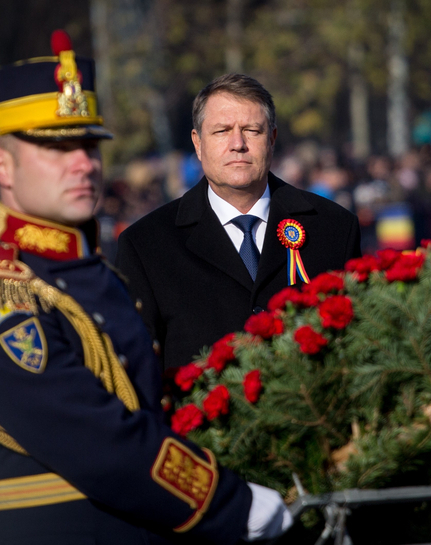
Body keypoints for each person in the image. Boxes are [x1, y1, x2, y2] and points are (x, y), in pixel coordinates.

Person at [0, 31, 290, 545]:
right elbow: (96, 439)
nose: (82, 163)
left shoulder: (97, 278)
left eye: (89, 146)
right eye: (55, 149)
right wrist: (226, 500)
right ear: (1, 165)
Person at [117, 73, 361, 371]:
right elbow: (139, 372)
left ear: (271, 139)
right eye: (221, 131)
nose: (238, 144)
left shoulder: (334, 228)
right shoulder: (146, 246)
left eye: (252, 130)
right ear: (198, 143)